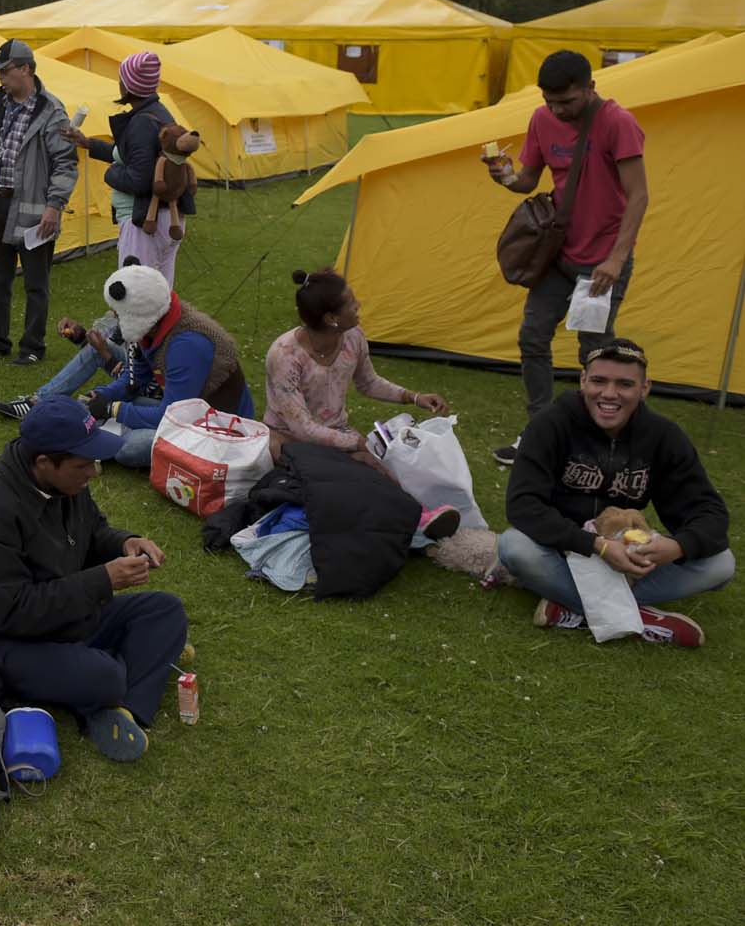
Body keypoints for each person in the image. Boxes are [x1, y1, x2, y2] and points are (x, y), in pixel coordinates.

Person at [0, 395, 187, 762]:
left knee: (165, 611)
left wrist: (125, 542)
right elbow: (14, 612)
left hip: (64, 615)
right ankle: (116, 678)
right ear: (43, 463)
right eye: (84, 466)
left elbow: (93, 532)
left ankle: (121, 708)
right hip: (1, 638)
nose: (93, 474)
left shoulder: (65, 484)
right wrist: (103, 581)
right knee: (104, 677)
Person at [499, 339, 732, 646]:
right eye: (598, 381)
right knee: (514, 547)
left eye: (625, 384)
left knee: (721, 564)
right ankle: (640, 618)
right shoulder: (550, 424)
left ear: (645, 387)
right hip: (564, 550)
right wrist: (599, 547)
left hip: (632, 556)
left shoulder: (663, 436)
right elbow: (522, 505)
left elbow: (710, 512)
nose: (609, 394)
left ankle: (572, 605)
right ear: (583, 381)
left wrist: (676, 547)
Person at [485, 50, 648, 466]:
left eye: (568, 102)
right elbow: (527, 180)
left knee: (594, 352)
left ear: (591, 88)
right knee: (532, 337)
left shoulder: (617, 122)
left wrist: (615, 259)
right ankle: (540, 431)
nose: (558, 110)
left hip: (602, 261)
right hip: (557, 254)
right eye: (550, 101)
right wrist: (504, 175)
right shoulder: (542, 119)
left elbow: (638, 197)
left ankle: (594, 437)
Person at [0, 39, 77, 366]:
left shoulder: (52, 110)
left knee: (36, 283)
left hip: (36, 210)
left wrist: (55, 205)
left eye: (4, 71)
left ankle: (33, 347)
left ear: (25, 69)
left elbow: (66, 162)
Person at [265, 269, 449, 475]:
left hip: (337, 434)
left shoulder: (353, 336)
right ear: (331, 318)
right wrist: (359, 443)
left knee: (390, 471)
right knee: (362, 478)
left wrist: (414, 397)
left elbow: (368, 382)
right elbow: (303, 428)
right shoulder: (284, 356)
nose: (358, 305)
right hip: (289, 440)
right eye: (351, 302)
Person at [81, 263, 254, 468]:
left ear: (138, 314)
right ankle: (106, 430)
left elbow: (173, 416)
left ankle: (107, 436)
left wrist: (112, 409)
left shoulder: (187, 345)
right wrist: (103, 396)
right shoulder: (154, 325)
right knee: (133, 406)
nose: (117, 320)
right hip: (189, 413)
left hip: (218, 428)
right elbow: (133, 380)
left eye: (118, 315)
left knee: (130, 448)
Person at [64, 50, 194, 284]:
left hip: (144, 223)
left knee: (137, 294)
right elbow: (132, 155)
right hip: (167, 218)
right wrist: (88, 143)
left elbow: (140, 179)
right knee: (160, 294)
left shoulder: (142, 122)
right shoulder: (159, 113)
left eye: (121, 77)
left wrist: (110, 173)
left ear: (129, 84)